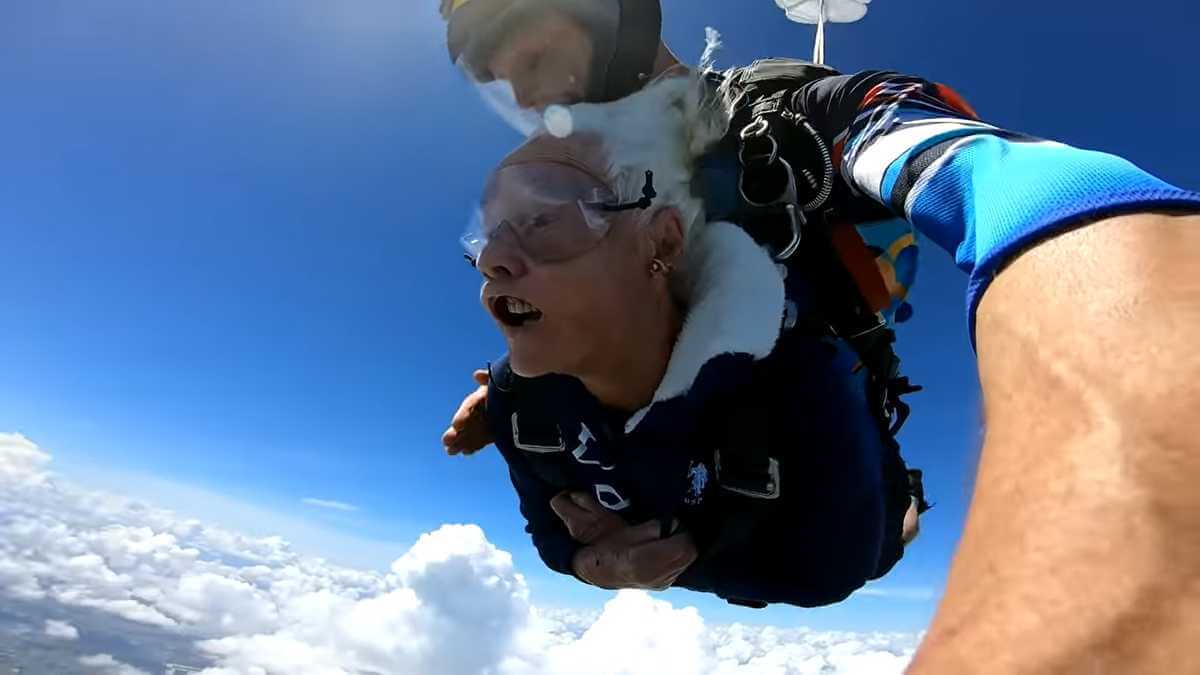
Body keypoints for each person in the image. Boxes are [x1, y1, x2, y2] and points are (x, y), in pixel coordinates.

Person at [438, 1, 1200, 672]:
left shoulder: (804, 121)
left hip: (822, 485)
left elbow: (1014, 182)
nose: (531, 101)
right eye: (506, 86)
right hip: (683, 492)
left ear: (617, 25)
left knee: (868, 540)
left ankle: (901, 507)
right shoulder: (571, 187)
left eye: (539, 60)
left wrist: (1131, 555)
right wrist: (514, 384)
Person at [464, 77, 923, 607]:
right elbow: (548, 538)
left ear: (661, 241)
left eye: (547, 219)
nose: (490, 259)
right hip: (744, 518)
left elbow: (831, 574)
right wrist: (598, 563)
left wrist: (664, 556)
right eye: (489, 230)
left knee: (897, 533)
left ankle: (910, 493)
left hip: (863, 517)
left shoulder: (796, 373)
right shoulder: (519, 404)